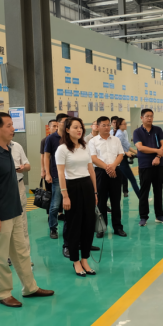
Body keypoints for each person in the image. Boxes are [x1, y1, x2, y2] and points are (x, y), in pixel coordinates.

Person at [0, 113, 54, 307]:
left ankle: (30, 287)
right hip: (1, 214)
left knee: (21, 252)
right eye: (8, 125)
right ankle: (3, 293)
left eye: (12, 124)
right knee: (0, 255)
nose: (13, 129)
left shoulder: (8, 149)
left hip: (14, 210)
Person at [56, 117, 98, 276]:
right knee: (74, 226)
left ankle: (85, 259)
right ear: (67, 130)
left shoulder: (85, 146)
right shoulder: (62, 149)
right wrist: (65, 195)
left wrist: (95, 192)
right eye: (75, 127)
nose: (79, 130)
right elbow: (61, 173)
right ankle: (75, 261)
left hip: (87, 186)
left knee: (89, 225)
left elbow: (91, 170)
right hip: (72, 187)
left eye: (80, 127)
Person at [89, 116, 127, 238]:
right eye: (103, 125)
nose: (106, 127)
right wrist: (107, 168)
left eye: (108, 125)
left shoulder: (116, 140)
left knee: (116, 201)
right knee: (101, 202)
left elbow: (120, 154)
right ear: (98, 127)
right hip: (100, 173)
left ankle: (118, 227)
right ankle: (101, 228)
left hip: (116, 171)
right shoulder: (93, 141)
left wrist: (113, 166)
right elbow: (93, 158)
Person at [133, 109, 163, 226]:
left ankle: (159, 216)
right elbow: (140, 148)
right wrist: (157, 150)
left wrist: (158, 156)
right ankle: (143, 217)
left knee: (158, 191)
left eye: (151, 116)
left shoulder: (158, 130)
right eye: (147, 116)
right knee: (144, 192)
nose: (150, 118)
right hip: (145, 166)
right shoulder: (137, 132)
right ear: (141, 118)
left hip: (158, 165)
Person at [44, 113, 69, 242]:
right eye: (65, 122)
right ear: (58, 123)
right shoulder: (51, 138)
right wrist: (47, 173)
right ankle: (53, 228)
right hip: (57, 175)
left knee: (70, 203)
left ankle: (69, 228)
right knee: (55, 204)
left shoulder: (69, 137)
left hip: (70, 175)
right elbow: (46, 156)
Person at [9, 134, 33, 266]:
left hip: (18, 185)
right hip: (4, 188)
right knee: (7, 224)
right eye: (8, 126)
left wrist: (23, 168)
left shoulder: (17, 146)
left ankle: (25, 256)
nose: (12, 129)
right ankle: (8, 256)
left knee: (22, 222)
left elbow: (28, 165)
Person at [114, 118, 140, 198]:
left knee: (118, 182)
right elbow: (116, 148)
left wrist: (135, 152)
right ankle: (142, 199)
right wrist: (126, 153)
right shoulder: (119, 134)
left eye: (126, 123)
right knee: (132, 180)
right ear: (119, 125)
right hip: (122, 160)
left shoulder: (121, 133)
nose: (126, 125)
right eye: (124, 124)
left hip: (123, 159)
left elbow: (126, 146)